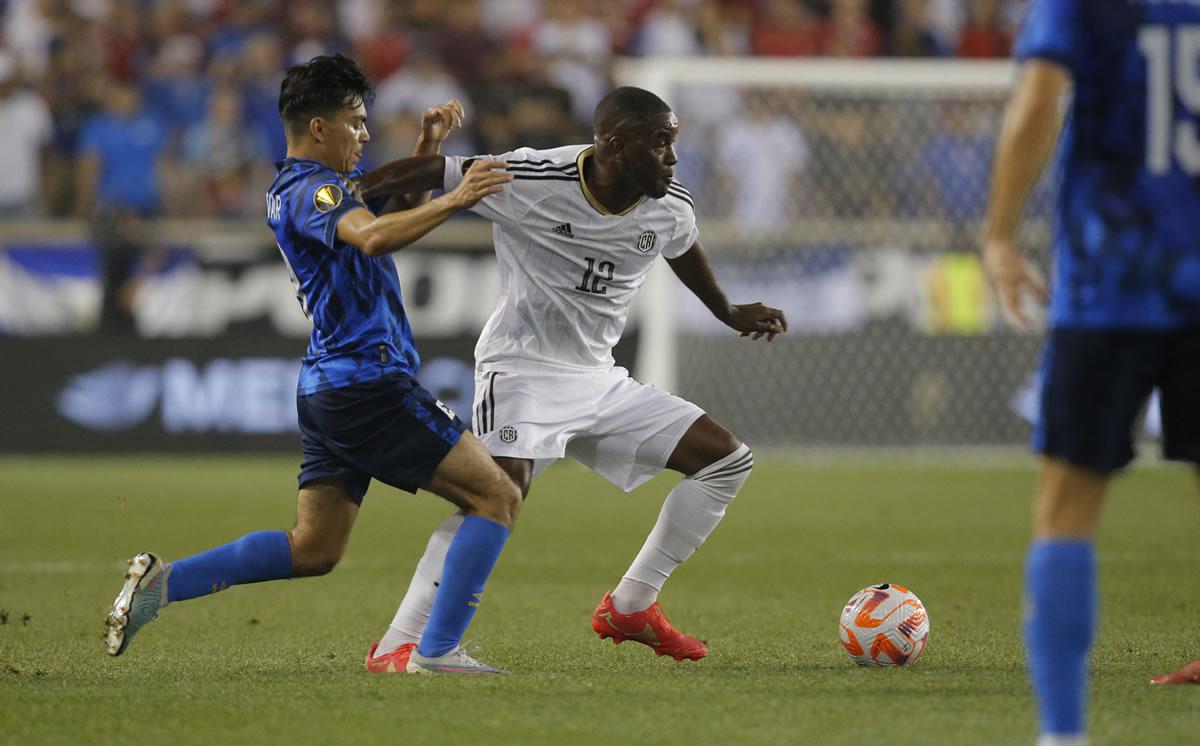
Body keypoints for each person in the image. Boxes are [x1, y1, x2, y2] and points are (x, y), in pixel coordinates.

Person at [104, 54, 522, 675]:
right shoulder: (313, 189)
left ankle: (163, 584)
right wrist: (459, 196)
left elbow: (389, 220)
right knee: (496, 494)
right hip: (368, 384)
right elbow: (375, 237)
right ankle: (437, 652)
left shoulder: (308, 190)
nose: (365, 133)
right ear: (319, 127)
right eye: (356, 121)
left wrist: (428, 147)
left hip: (329, 387)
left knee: (314, 548)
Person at [356, 86, 788, 673]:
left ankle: (632, 605)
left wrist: (728, 311)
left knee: (727, 461)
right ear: (616, 146)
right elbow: (434, 172)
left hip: (598, 379)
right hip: (521, 371)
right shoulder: (532, 176)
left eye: (673, 143)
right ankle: (399, 643)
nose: (672, 158)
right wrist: (345, 197)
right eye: (660, 143)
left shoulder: (670, 205)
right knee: (494, 497)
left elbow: (683, 250)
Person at [980, 1, 1200, 742]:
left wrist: (1000, 235)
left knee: (1066, 506)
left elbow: (1040, 98)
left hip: (1110, 284)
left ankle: (1063, 735)